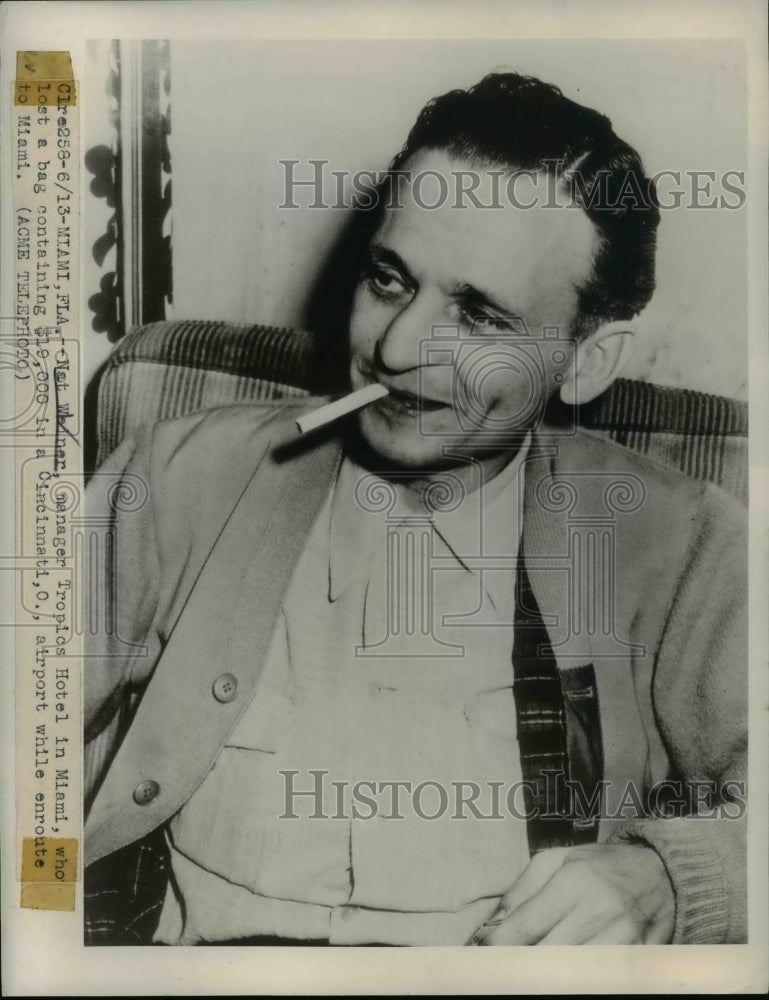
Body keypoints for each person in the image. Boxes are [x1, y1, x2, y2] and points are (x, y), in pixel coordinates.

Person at [83, 71, 747, 946]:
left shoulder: (681, 542)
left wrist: (670, 875)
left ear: (586, 362)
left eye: (476, 316)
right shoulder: (181, 476)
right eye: (390, 281)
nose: (395, 350)